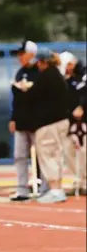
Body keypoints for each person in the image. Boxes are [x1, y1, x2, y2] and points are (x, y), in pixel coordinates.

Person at [19, 48, 69, 203]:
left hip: (49, 123)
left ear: (43, 62)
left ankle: (54, 190)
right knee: (57, 155)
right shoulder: (57, 75)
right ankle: (58, 189)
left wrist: (24, 89)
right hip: (61, 121)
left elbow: (32, 96)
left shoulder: (46, 76)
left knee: (48, 155)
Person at [9, 41, 47, 201]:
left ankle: (46, 188)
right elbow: (16, 99)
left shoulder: (41, 71)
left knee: (43, 156)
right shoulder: (20, 72)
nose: (19, 57)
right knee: (20, 156)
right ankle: (22, 189)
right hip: (22, 121)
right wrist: (13, 118)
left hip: (38, 121)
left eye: (22, 53)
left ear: (31, 54)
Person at [58, 52, 86, 195]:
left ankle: (84, 181)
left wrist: (82, 106)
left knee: (83, 152)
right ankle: (78, 178)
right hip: (68, 121)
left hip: (83, 122)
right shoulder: (64, 80)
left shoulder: (83, 76)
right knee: (67, 151)